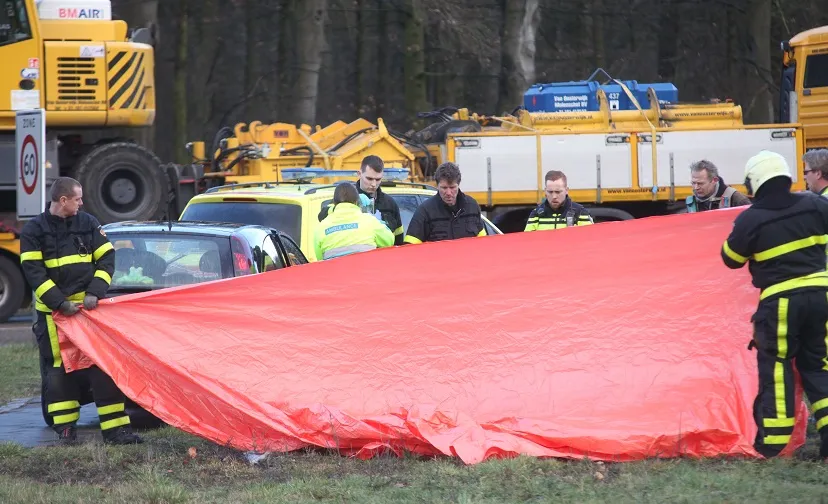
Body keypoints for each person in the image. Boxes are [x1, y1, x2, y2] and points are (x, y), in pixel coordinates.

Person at [720, 150, 828, 460]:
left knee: (777, 367)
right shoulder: (815, 204)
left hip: (780, 302)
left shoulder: (751, 218)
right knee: (818, 365)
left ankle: (774, 443)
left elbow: (731, 258)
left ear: (755, 182)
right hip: (821, 296)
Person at [19, 177, 142, 445]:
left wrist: (95, 292)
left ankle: (116, 430)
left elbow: (107, 259)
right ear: (63, 200)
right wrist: (60, 303)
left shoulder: (88, 223)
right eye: (78, 198)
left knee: (103, 368)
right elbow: (34, 273)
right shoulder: (33, 231)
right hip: (54, 316)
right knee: (59, 372)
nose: (82, 203)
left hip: (89, 314)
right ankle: (65, 430)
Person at [317, 155, 404, 245]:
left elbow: (399, 237)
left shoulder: (390, 203)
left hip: (385, 256)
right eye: (369, 179)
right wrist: (347, 205)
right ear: (359, 174)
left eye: (378, 179)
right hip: (357, 254)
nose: (374, 184)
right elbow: (321, 216)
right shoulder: (346, 197)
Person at [403, 162, 485, 244]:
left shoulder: (472, 206)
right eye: (444, 188)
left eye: (452, 187)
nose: (449, 193)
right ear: (437, 186)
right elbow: (409, 248)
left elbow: (483, 242)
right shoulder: (425, 211)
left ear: (458, 185)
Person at [314, 183, 395, 260]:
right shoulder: (370, 221)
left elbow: (320, 260)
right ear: (357, 201)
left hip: (335, 274)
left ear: (334, 203)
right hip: (365, 273)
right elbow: (389, 241)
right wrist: (380, 223)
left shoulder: (320, 228)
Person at [524, 170, 594, 231]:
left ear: (566, 190)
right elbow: (527, 242)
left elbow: (591, 240)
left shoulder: (580, 213)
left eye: (558, 192)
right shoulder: (536, 215)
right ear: (545, 191)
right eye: (550, 192)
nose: (554, 196)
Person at [686, 160, 751, 212]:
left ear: (715, 180)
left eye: (700, 183)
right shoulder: (690, 204)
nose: (696, 187)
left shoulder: (736, 199)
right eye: (693, 183)